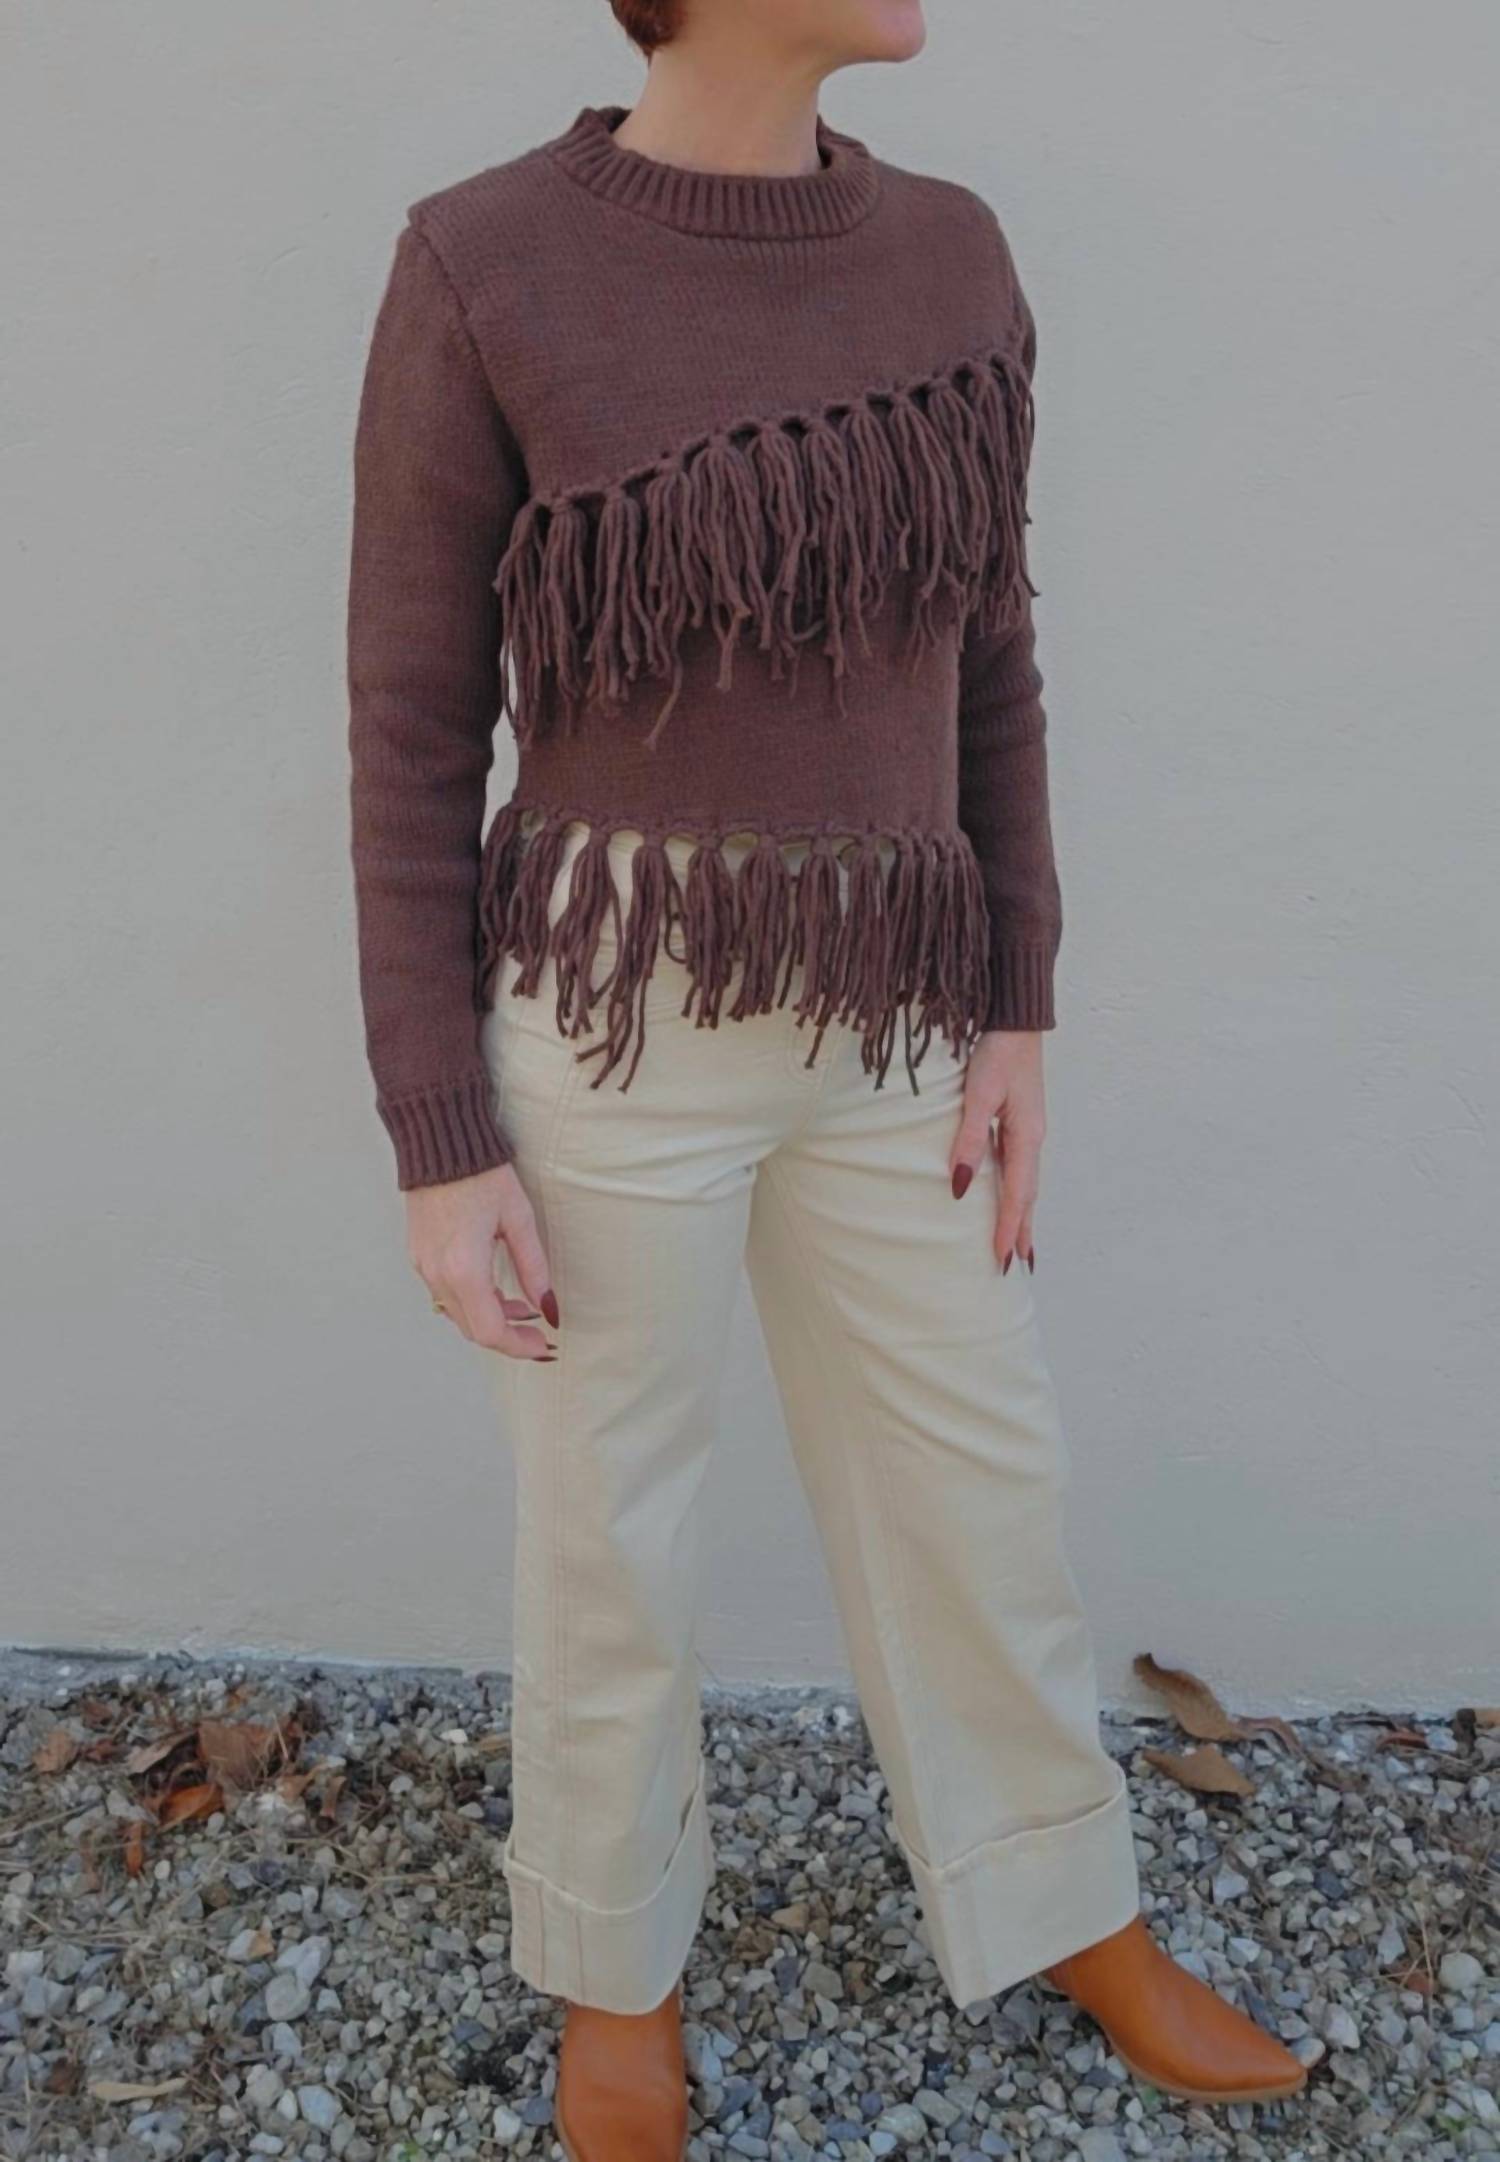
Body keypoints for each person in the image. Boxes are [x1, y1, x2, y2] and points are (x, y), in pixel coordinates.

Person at [345, 1, 1308, 2152]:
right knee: (609, 1529)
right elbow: (409, 725)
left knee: (982, 1480)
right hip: (610, 1013)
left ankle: (1066, 1901)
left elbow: (994, 657)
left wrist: (1016, 999)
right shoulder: (485, 263)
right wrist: (439, 1131)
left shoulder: (951, 254)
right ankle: (618, 1970)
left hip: (892, 1012)